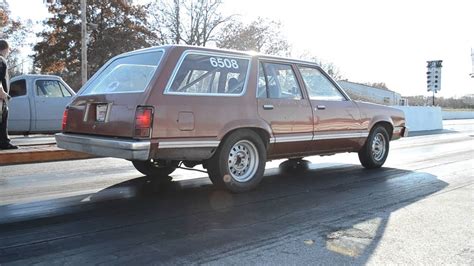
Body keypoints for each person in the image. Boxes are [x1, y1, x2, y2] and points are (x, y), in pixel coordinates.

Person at [0, 39, 18, 150]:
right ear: (6, 49)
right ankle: (4, 143)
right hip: (1, 98)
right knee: (3, 120)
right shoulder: (1, 60)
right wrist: (3, 94)